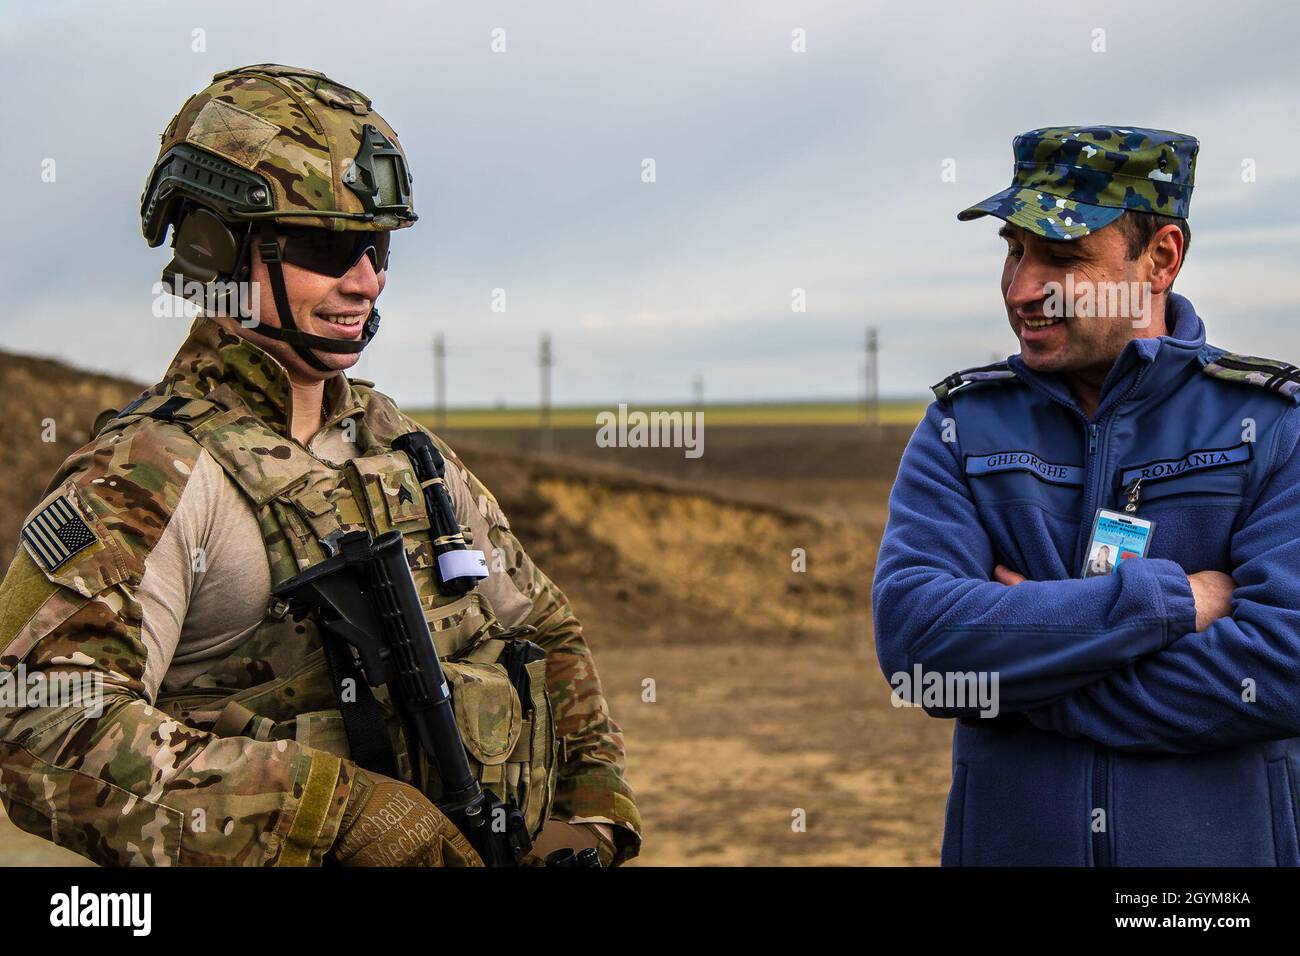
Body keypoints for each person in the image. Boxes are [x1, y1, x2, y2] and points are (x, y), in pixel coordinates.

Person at [0, 64, 641, 867]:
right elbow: (40, 724)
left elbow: (541, 626)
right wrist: (337, 817)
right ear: (213, 249)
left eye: (374, 249)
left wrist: (591, 810)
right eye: (328, 247)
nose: (365, 281)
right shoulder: (144, 472)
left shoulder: (401, 447)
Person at [873, 126, 1300, 865]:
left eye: (1062, 258)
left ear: (1160, 258)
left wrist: (1029, 679)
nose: (1021, 289)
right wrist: (1162, 607)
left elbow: (1283, 666)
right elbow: (919, 646)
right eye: (1013, 250)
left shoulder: (1271, 425)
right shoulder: (962, 428)